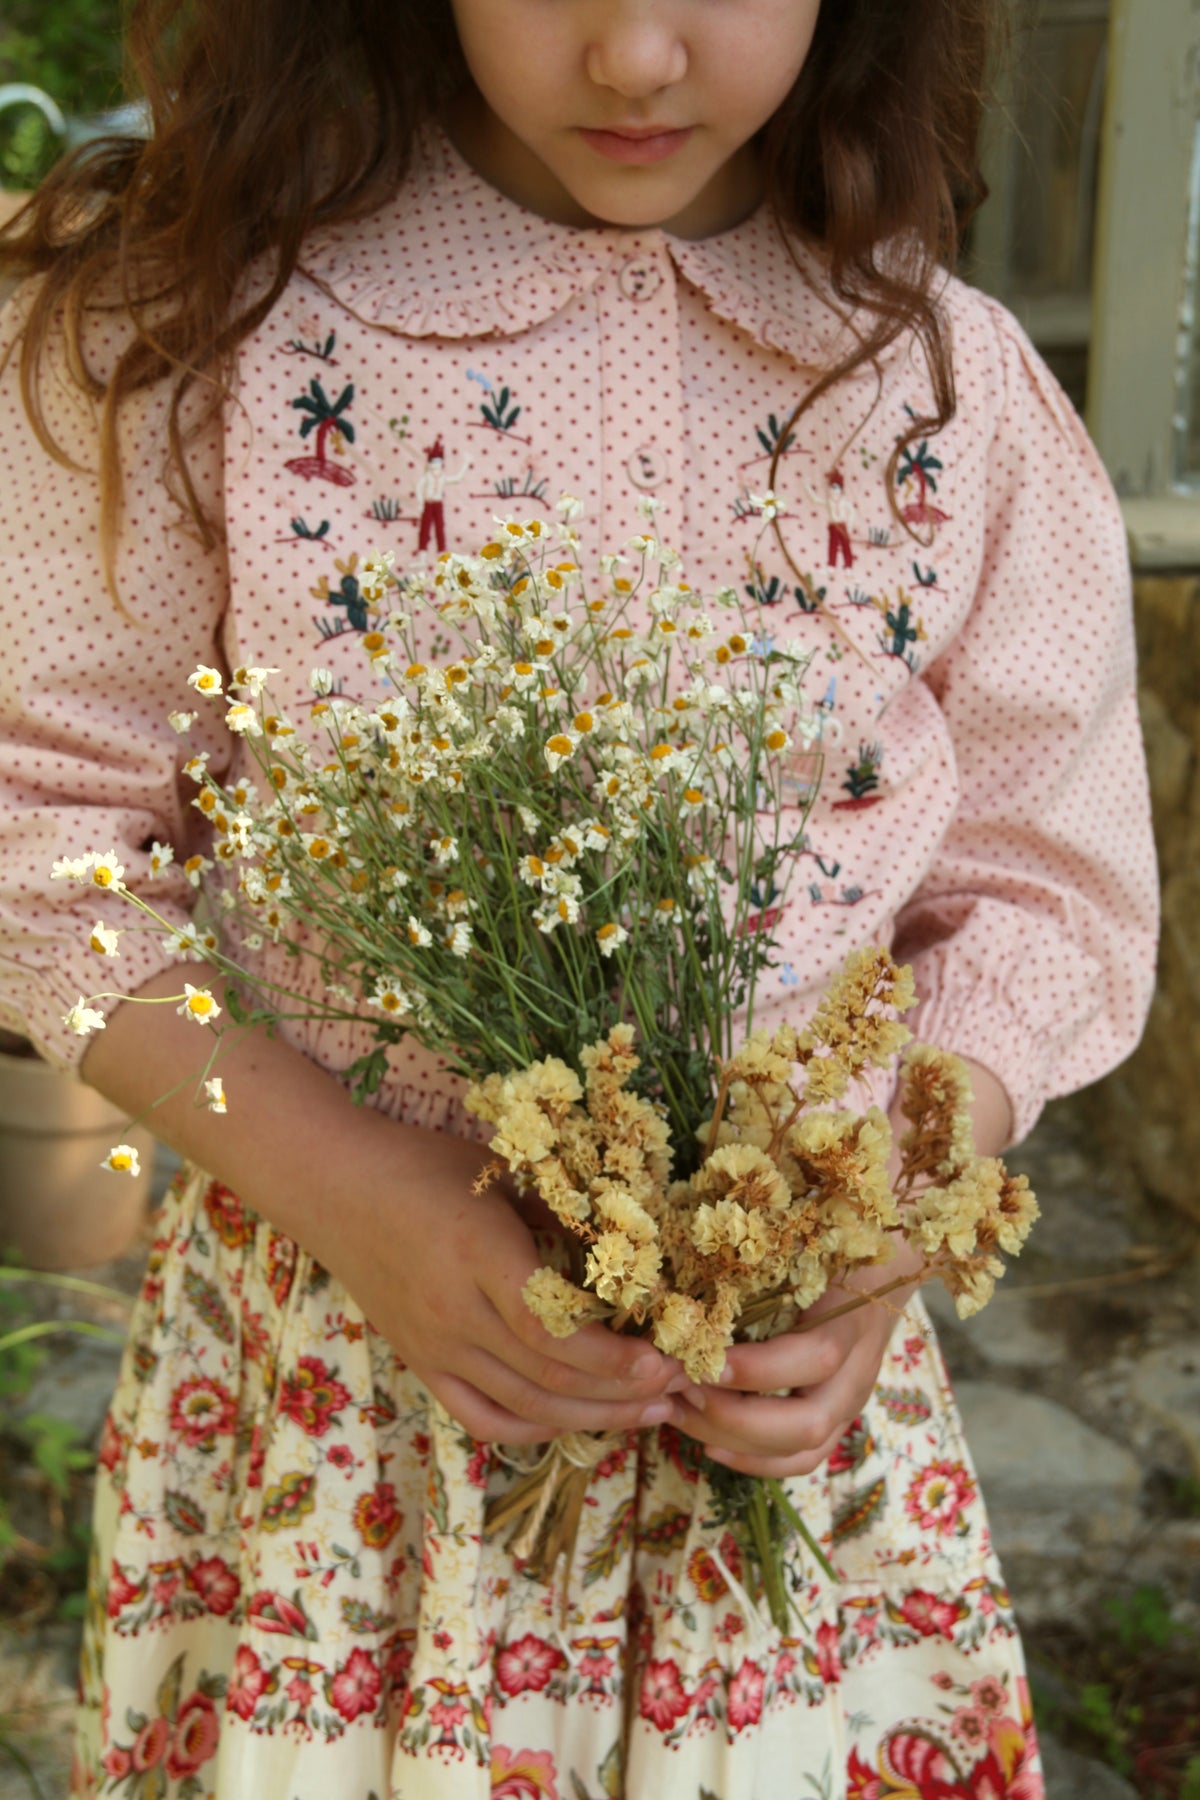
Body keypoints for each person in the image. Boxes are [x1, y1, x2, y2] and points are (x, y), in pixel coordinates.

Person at [0, 1, 1158, 1794]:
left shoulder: (940, 381)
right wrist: (354, 1180)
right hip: (358, 1393)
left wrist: (890, 1201)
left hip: (776, 1417)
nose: (634, 54)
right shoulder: (203, 323)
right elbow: (38, 837)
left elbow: (1044, 883)